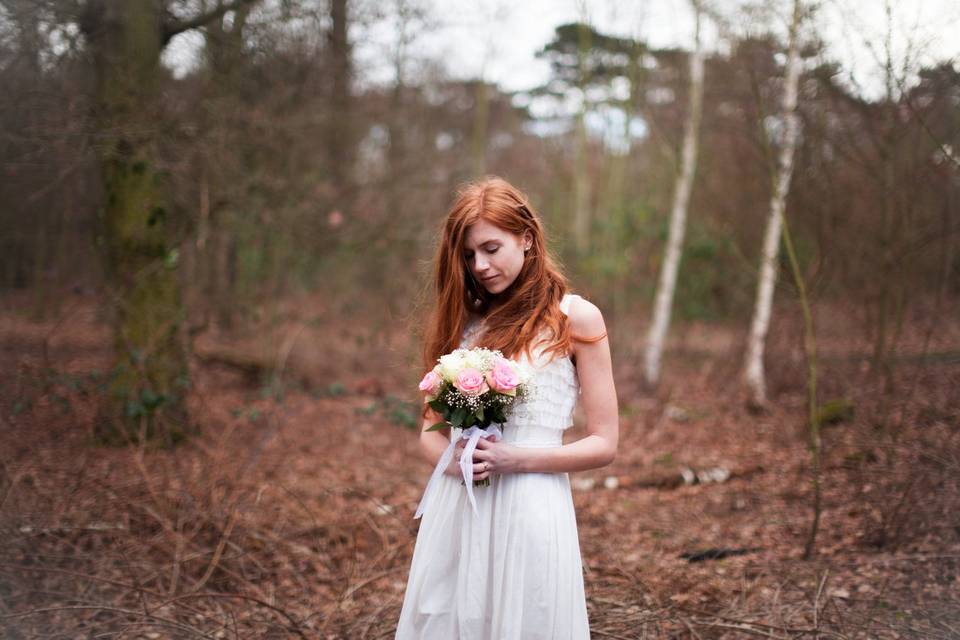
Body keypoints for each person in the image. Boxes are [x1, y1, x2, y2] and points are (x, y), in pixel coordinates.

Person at [395, 176, 619, 640]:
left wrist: (514, 459)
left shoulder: (575, 318)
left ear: (528, 238)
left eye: (492, 248)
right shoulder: (464, 323)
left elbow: (604, 443)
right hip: (459, 508)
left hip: (531, 506)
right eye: (469, 256)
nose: (480, 265)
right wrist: (451, 461)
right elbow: (428, 432)